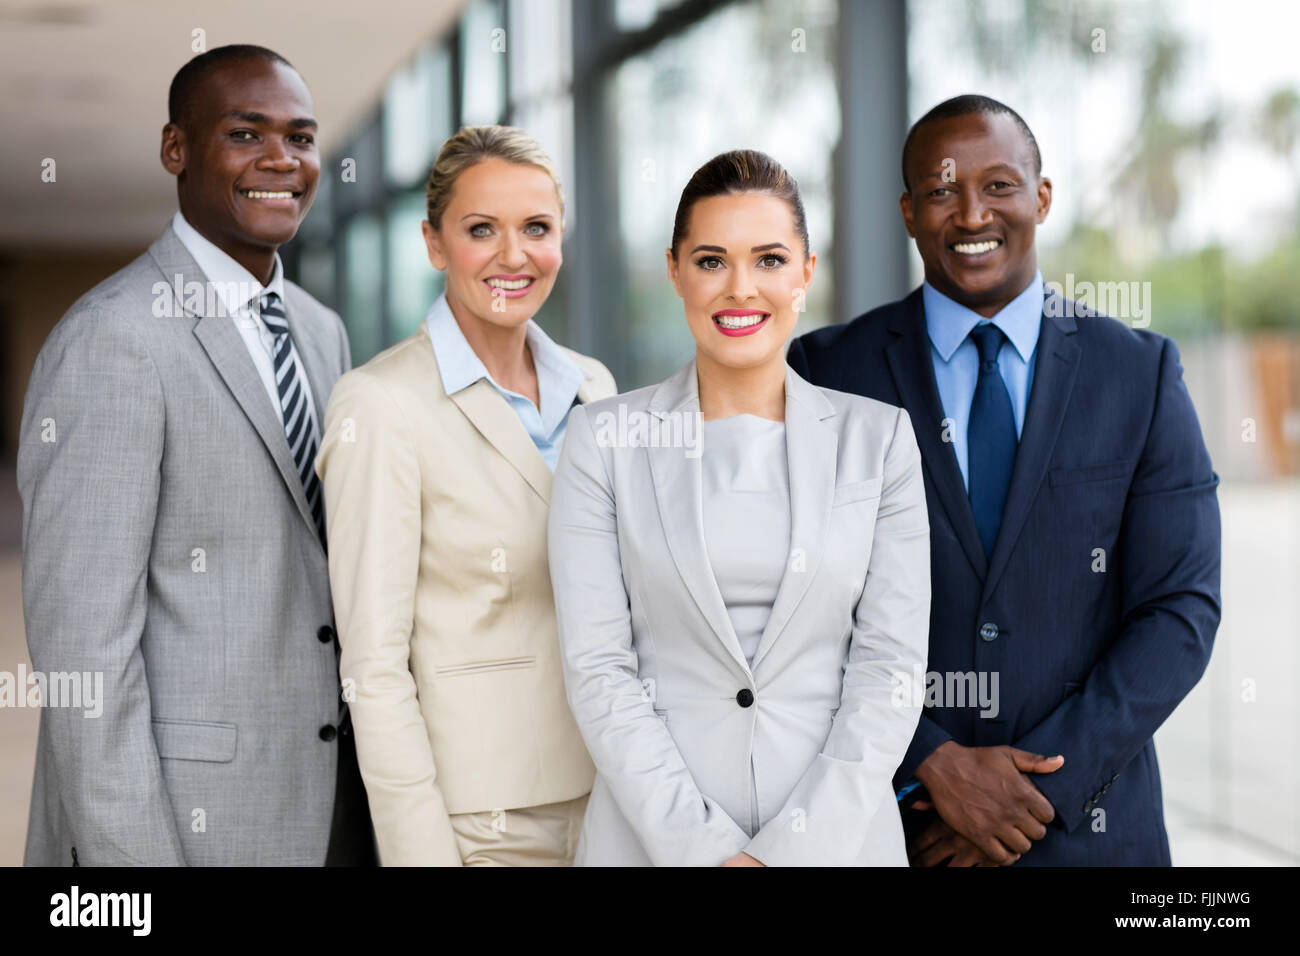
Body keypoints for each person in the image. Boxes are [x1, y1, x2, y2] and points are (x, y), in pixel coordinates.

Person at [788, 94, 1221, 866]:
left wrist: (1038, 790)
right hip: (894, 831)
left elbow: (1178, 610)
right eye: (942, 191)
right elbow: (795, 607)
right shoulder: (827, 373)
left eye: (999, 186)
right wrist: (931, 761)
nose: (971, 213)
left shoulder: (1140, 372)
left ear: (1042, 197)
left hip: (1092, 835)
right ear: (908, 212)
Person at [18, 44, 374, 865]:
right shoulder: (113, 340)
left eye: (302, 137)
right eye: (246, 134)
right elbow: (85, 656)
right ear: (176, 149)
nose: (281, 160)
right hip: (188, 821)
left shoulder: (321, 332)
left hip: (333, 805)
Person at [548, 149, 931, 867]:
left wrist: (792, 854)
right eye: (711, 261)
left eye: (769, 259)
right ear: (675, 270)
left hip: (839, 845)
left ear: (806, 274)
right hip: (651, 844)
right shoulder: (602, 440)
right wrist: (704, 853)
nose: (740, 289)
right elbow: (599, 671)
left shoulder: (879, 442)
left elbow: (890, 669)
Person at [316, 125, 617, 866]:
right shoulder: (380, 405)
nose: (514, 256)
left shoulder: (594, 387)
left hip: (613, 799)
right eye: (482, 229)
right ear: (434, 243)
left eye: (537, 228)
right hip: (480, 823)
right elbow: (373, 666)